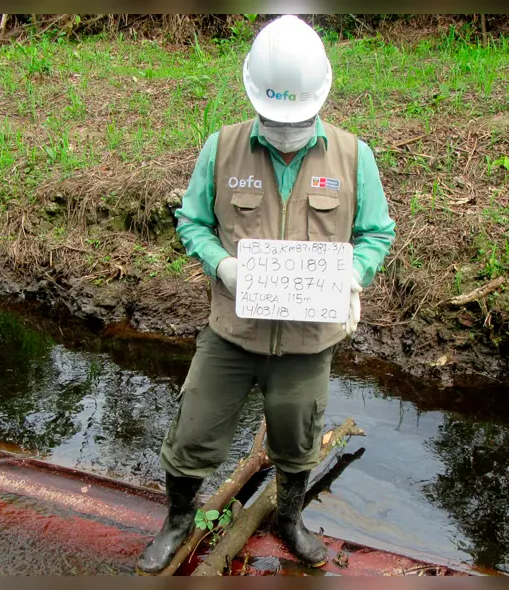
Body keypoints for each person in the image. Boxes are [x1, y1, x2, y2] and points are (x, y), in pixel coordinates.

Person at [136, 14, 396, 574]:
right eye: (275, 119)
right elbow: (192, 222)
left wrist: (355, 275)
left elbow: (377, 234)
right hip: (230, 333)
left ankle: (289, 519)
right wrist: (221, 265)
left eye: (296, 119)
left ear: (319, 97)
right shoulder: (222, 149)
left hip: (307, 344)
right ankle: (178, 518)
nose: (285, 129)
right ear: (253, 95)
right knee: (192, 437)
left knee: (297, 442)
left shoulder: (354, 158)